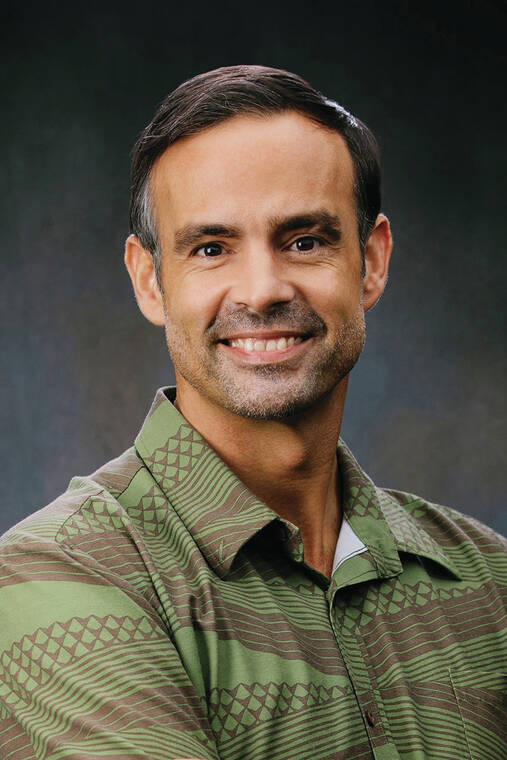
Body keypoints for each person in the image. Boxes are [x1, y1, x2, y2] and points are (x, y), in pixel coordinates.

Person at [0, 65, 505, 760]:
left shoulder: (488, 579)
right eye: (211, 249)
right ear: (150, 282)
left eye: (305, 241)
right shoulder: (59, 576)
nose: (262, 290)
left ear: (371, 261)